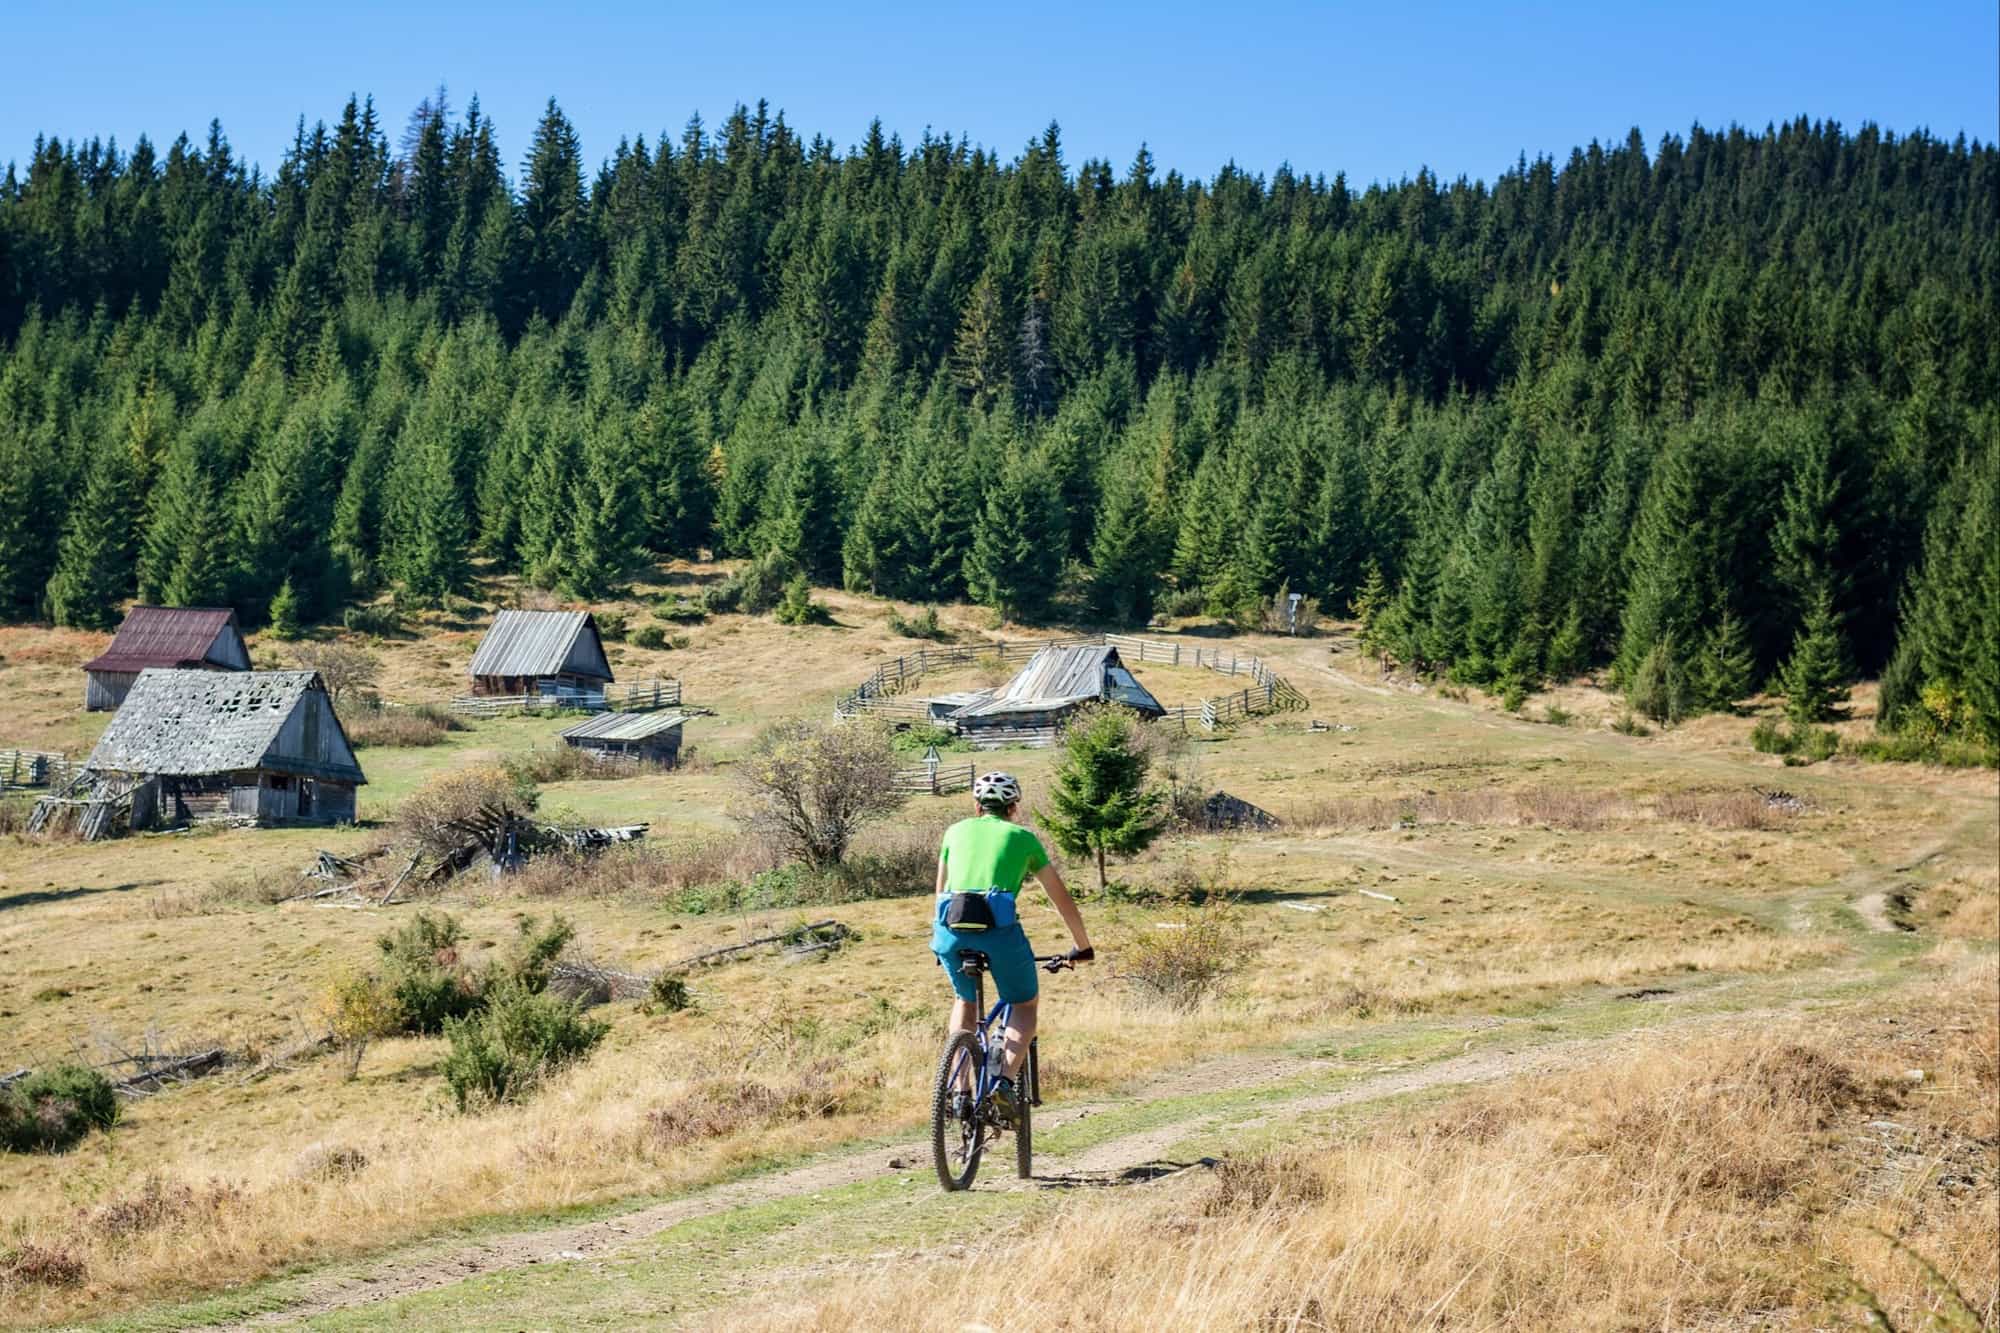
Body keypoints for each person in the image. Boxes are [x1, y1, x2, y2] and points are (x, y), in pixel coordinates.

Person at [932, 771, 1092, 1124]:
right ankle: (1002, 1084)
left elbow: (941, 891)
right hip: (999, 933)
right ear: (1014, 807)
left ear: (976, 806)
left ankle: (960, 1091)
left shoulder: (954, 832)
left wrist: (938, 943)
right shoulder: (1023, 838)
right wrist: (1082, 946)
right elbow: (1060, 898)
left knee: (964, 1000)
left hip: (950, 933)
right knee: (1023, 1004)